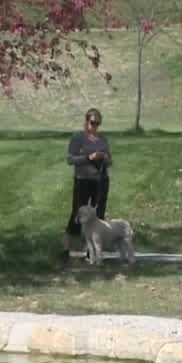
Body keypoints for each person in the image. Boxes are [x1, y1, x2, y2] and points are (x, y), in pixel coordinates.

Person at [63, 108, 112, 259]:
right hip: (83, 180)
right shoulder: (78, 138)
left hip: (101, 180)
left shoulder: (103, 138)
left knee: (98, 215)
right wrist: (89, 157)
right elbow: (71, 160)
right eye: (92, 122)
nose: (95, 126)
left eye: (97, 123)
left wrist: (104, 157)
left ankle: (94, 251)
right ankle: (68, 246)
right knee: (78, 213)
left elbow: (110, 160)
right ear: (86, 122)